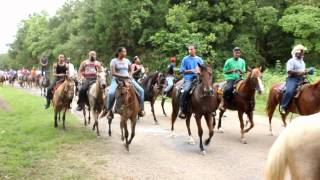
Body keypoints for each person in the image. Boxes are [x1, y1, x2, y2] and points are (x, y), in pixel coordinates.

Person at [106, 47, 145, 118]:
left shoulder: (127, 60)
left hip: (129, 79)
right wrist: (124, 76)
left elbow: (130, 70)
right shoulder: (113, 61)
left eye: (125, 52)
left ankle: (141, 109)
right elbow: (113, 73)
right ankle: (109, 111)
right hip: (117, 80)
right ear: (119, 53)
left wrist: (129, 76)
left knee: (141, 91)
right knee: (111, 93)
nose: (125, 53)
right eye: (123, 52)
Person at [280, 44, 310, 114]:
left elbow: (302, 71)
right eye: (301, 52)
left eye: (303, 52)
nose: (303, 53)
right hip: (292, 79)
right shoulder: (291, 61)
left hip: (302, 79)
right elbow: (289, 71)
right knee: (289, 91)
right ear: (296, 53)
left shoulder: (303, 62)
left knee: (311, 90)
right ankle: (283, 106)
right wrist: (301, 72)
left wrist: (307, 71)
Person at [178, 45, 204, 119]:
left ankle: (210, 109)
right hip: (188, 78)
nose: (190, 51)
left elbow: (203, 69)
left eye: (191, 49)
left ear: (195, 50)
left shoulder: (199, 59)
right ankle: (182, 109)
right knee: (186, 90)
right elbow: (181, 71)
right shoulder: (185, 59)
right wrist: (192, 70)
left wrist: (200, 71)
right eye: (189, 50)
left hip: (198, 78)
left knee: (207, 88)